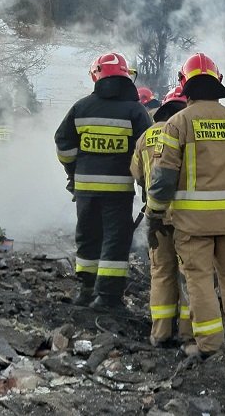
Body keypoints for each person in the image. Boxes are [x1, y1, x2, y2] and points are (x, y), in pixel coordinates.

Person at [147, 53, 225, 356]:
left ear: (184, 84)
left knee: (199, 280)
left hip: (192, 224)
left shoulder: (178, 123)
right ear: (218, 82)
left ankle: (210, 345)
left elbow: (163, 179)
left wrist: (154, 214)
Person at [54, 52, 152, 310]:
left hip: (85, 189)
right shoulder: (135, 110)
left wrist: (74, 171)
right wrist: (145, 183)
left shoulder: (81, 107)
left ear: (97, 75)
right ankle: (107, 298)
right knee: (116, 239)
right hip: (118, 190)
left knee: (88, 235)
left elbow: (63, 144)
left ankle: (87, 291)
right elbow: (150, 151)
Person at [130, 85, 192, 346]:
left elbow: (136, 173)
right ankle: (189, 333)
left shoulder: (146, 136)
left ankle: (161, 332)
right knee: (191, 273)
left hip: (156, 217)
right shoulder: (189, 131)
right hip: (189, 217)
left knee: (162, 272)